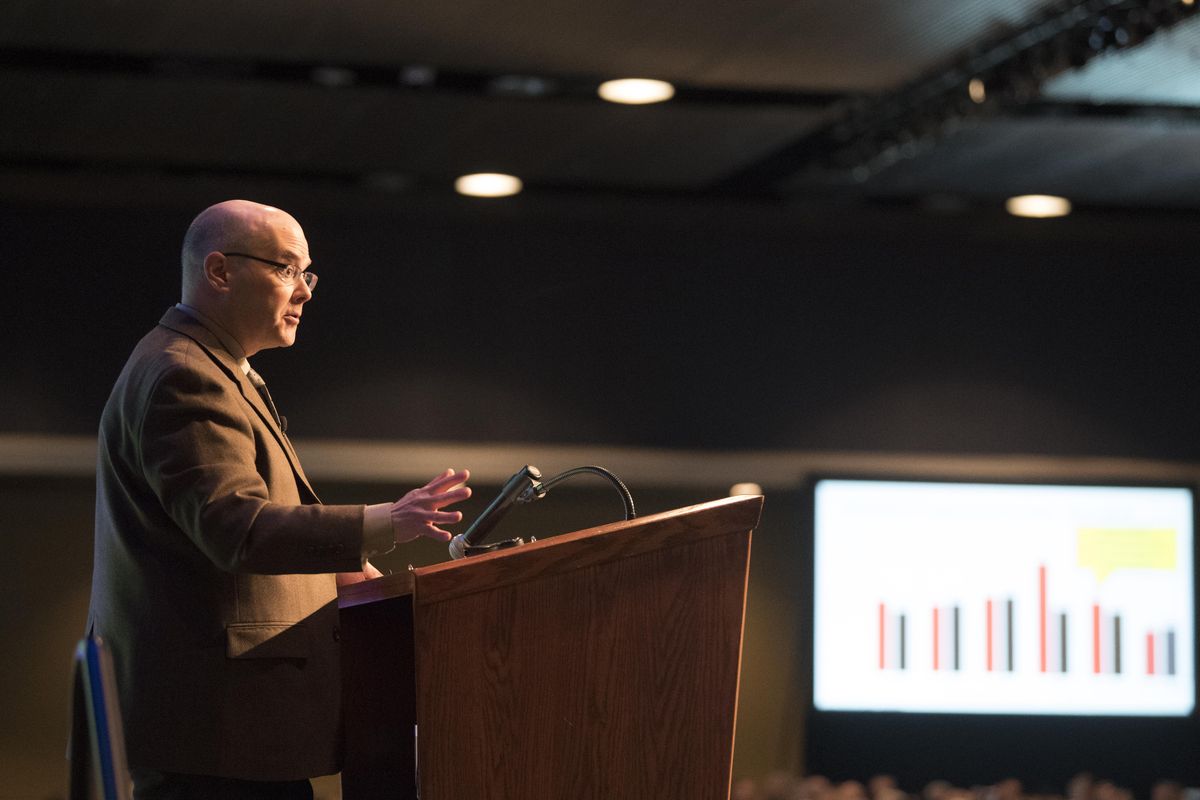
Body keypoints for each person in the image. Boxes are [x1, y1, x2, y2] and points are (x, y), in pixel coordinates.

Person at [87, 199, 472, 798]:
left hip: (233, 739)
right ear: (220, 272)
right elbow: (235, 528)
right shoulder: (182, 375)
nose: (305, 292)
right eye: (287, 269)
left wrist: (351, 573)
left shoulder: (218, 368)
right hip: (216, 739)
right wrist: (386, 521)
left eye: (307, 273)